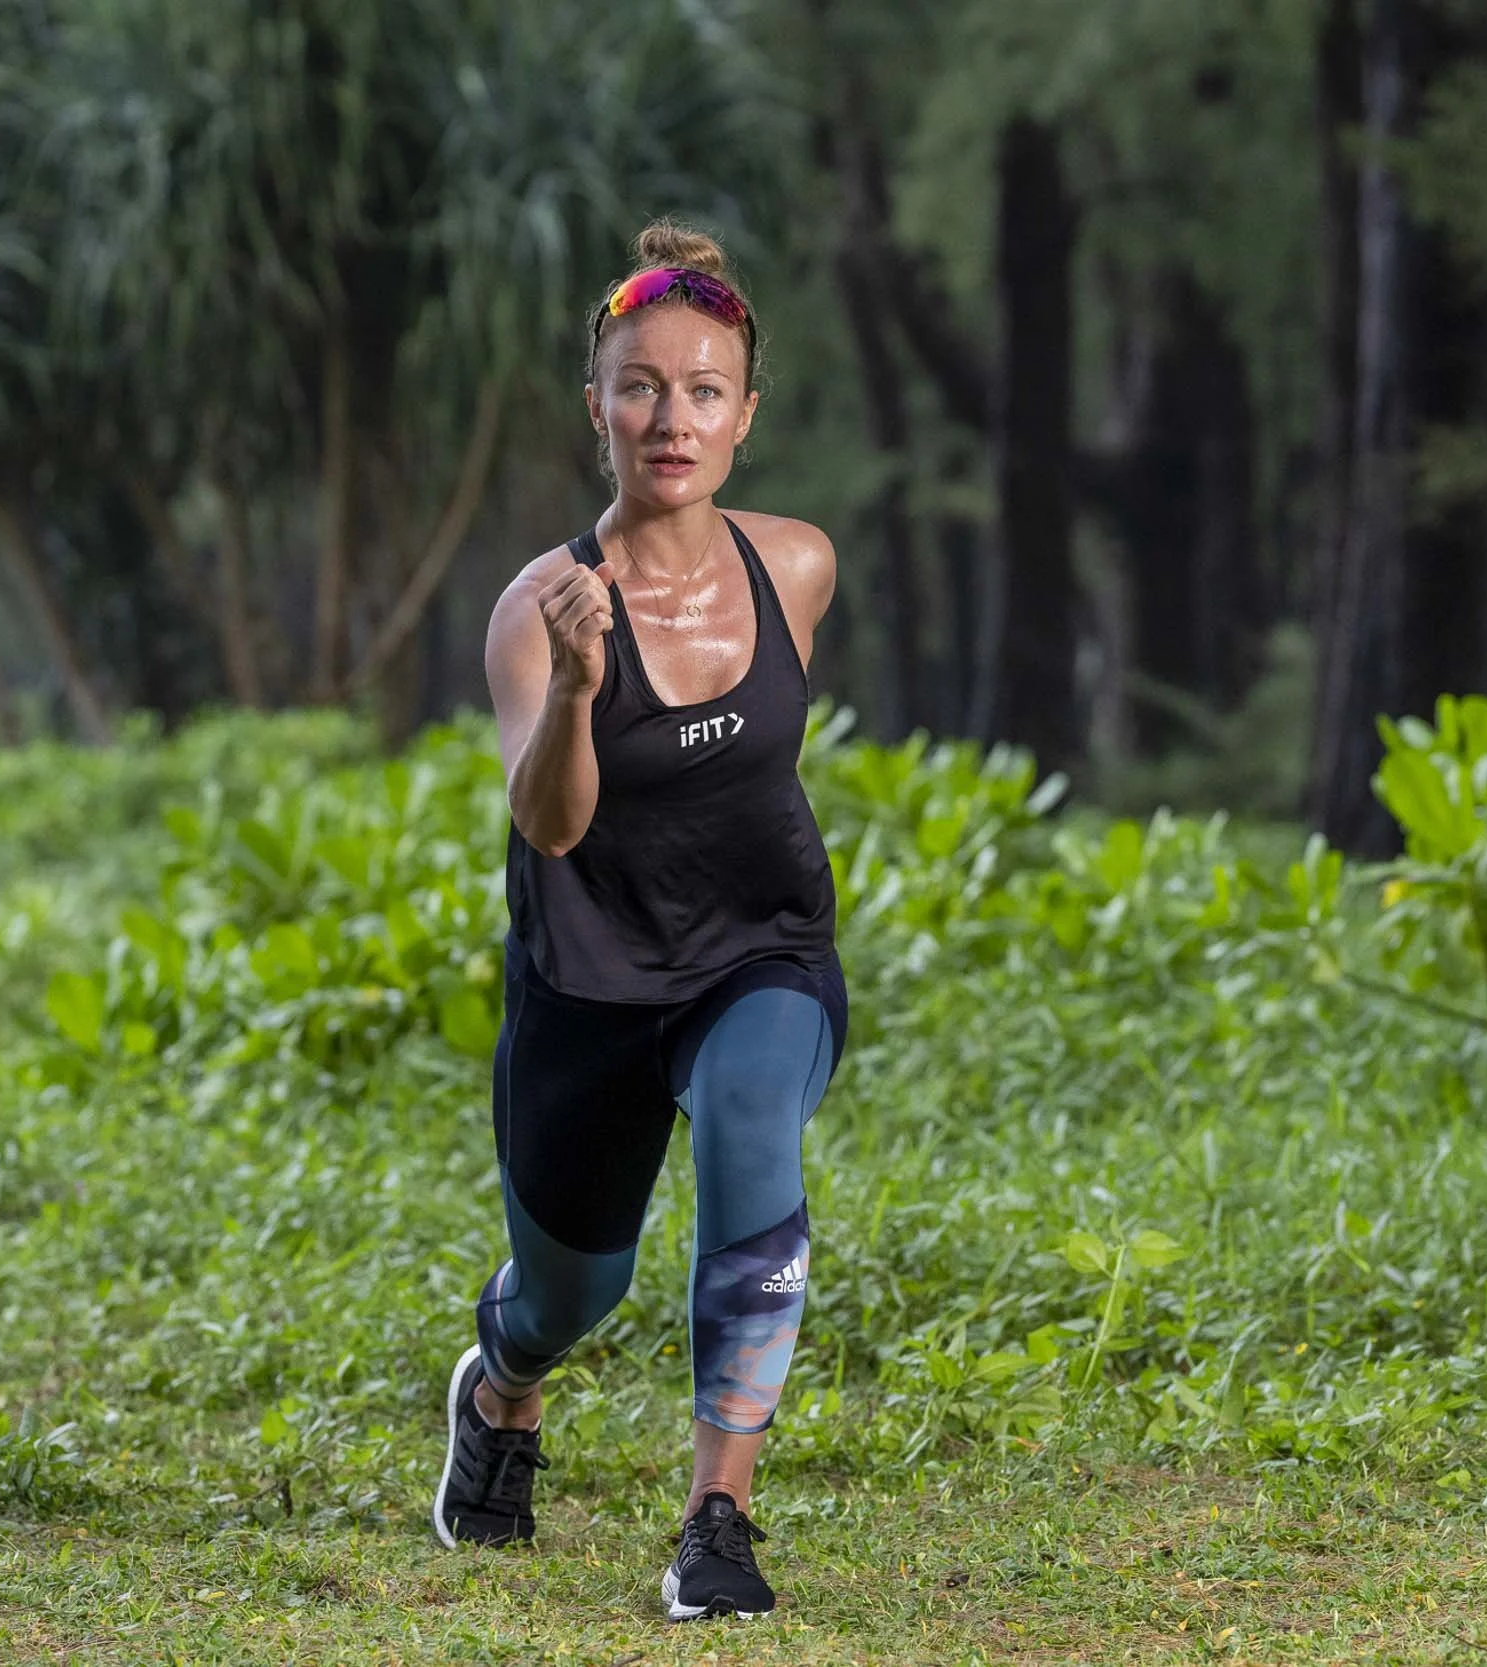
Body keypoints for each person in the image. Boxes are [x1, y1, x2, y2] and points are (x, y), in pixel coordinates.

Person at [430, 218, 846, 1625]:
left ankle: (717, 1520)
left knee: (752, 1125)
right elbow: (551, 826)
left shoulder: (797, 567)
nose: (674, 419)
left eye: (705, 390)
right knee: (570, 1295)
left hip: (760, 948)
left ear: (745, 413)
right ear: (596, 405)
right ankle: (502, 1388)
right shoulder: (534, 609)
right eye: (642, 387)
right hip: (590, 981)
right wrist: (573, 681)